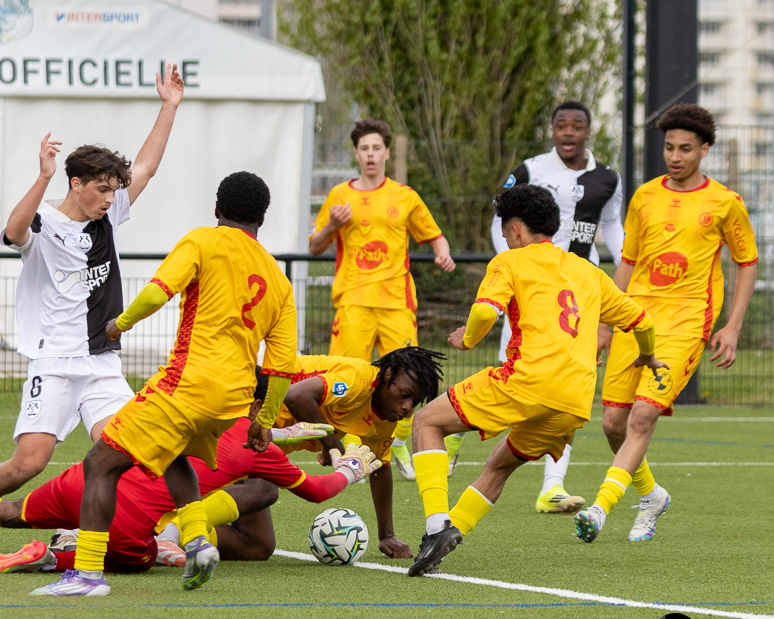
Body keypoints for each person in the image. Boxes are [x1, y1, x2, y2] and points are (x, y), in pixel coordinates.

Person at [0, 64, 185, 555]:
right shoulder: (44, 224)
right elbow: (13, 233)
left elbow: (145, 168)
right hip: (55, 361)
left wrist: (169, 107)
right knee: (28, 464)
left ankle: (147, 534)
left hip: (101, 363)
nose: (111, 198)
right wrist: (42, 177)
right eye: (102, 188)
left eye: (114, 190)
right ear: (77, 183)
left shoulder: (111, 214)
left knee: (135, 453)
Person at [31, 171, 299, 596]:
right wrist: (263, 419)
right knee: (171, 453)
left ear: (217, 209)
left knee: (100, 464)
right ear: (261, 219)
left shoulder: (202, 240)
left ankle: (86, 575)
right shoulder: (279, 280)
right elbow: (283, 365)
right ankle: (196, 540)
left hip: (186, 385)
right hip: (231, 404)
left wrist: (119, 324)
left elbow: (159, 292)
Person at [0, 380, 381, 578]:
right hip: (128, 521)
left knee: (7, 511)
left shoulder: (174, 405)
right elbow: (316, 491)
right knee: (136, 561)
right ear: (258, 404)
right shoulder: (257, 446)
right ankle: (52, 557)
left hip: (86, 480)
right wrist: (349, 468)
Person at [405, 184, 663, 577]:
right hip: (574, 401)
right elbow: (642, 321)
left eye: (507, 233)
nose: (507, 240)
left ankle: (435, 527)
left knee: (426, 422)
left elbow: (485, 313)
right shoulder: (588, 272)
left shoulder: (510, 262)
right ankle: (448, 535)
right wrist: (646, 354)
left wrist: (465, 339)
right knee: (499, 466)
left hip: (526, 382)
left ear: (518, 231)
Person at [576, 103, 759, 544]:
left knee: (642, 419)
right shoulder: (645, 196)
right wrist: (606, 323)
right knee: (612, 425)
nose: (675, 157)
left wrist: (731, 327)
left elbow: (747, 263)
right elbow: (629, 261)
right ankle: (651, 495)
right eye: (669, 148)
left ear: (704, 150)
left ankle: (600, 509)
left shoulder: (725, 204)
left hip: (686, 323)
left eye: (685, 149)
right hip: (635, 320)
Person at [492, 101, 624, 514]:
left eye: (576, 126)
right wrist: (512, 265)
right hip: (531, 289)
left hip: (576, 295)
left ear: (588, 132)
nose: (568, 132)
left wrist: (630, 267)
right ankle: (458, 433)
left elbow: (614, 227)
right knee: (507, 373)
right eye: (561, 125)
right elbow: (500, 217)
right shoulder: (531, 170)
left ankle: (553, 487)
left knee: (567, 387)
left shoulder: (608, 179)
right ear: (552, 131)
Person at [308, 118, 457, 481]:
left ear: (387, 153)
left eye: (377, 148)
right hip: (354, 302)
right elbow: (314, 246)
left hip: (396, 303)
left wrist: (443, 252)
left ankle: (399, 443)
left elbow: (434, 235)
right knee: (343, 380)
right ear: (356, 154)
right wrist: (332, 225)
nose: (371, 154)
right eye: (364, 148)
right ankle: (335, 450)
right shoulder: (340, 196)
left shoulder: (405, 196)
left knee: (412, 377)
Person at [271, 346, 446, 560]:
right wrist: (331, 444)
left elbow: (378, 466)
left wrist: (387, 535)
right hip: (251, 401)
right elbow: (296, 396)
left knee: (259, 545)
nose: (407, 407)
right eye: (404, 395)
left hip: (263, 441)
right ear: (388, 374)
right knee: (263, 492)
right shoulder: (359, 381)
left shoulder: (384, 416)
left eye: (415, 402)